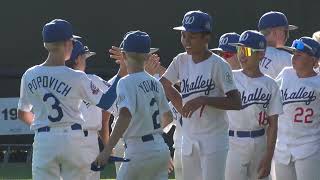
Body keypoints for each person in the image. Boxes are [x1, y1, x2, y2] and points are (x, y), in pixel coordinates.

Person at [17, 19, 126, 180]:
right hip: (72, 140)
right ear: (67, 44)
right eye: (72, 42)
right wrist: (121, 72)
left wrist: (43, 125)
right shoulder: (76, 77)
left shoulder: (29, 74)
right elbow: (106, 102)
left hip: (43, 141)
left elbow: (22, 113)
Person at [160, 10, 241, 180]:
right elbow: (164, 84)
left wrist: (204, 100)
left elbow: (235, 101)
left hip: (214, 139)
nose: (186, 41)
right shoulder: (180, 60)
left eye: (193, 36)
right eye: (184, 35)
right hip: (189, 138)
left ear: (206, 37)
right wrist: (180, 105)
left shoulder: (219, 64)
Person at [93, 30, 173, 180]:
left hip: (137, 150)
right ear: (148, 56)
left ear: (123, 55)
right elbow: (168, 116)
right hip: (159, 147)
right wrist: (153, 133)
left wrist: (107, 149)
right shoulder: (155, 82)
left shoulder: (125, 82)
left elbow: (125, 114)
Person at [225, 30, 283, 180]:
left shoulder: (270, 84)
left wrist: (269, 156)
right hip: (233, 141)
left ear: (261, 54)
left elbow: (273, 124)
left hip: (260, 142)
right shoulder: (229, 78)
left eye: (247, 50)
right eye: (239, 49)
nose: (242, 54)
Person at [274, 37, 320, 180]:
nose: (294, 58)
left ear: (313, 60)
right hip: (282, 147)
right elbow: (269, 94)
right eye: (294, 54)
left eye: (299, 55)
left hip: (310, 147)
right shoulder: (286, 74)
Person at [65, 39, 111, 179]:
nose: (85, 61)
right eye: (84, 57)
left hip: (63, 139)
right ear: (78, 59)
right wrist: (124, 70)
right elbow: (116, 95)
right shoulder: (93, 80)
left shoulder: (55, 82)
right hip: (87, 139)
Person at [258, 11, 298, 79]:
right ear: (274, 32)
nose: (287, 36)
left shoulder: (249, 53)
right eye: (285, 31)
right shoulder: (286, 58)